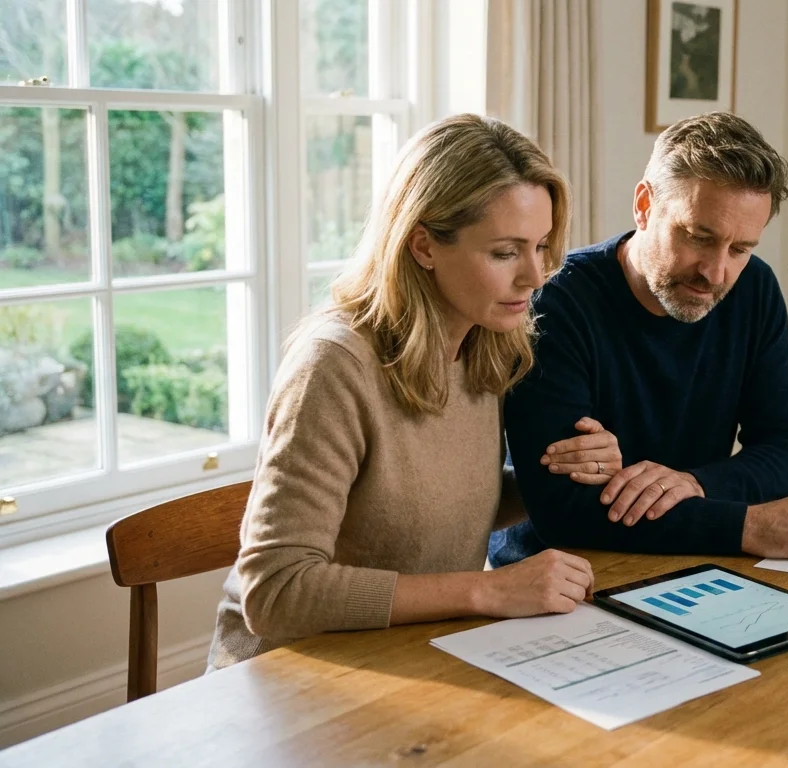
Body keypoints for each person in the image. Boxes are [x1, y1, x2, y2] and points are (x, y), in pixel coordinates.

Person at [208, 114, 624, 669]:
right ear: (424, 245)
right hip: (288, 679)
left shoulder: (485, 344)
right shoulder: (333, 367)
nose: (535, 275)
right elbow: (276, 592)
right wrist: (488, 591)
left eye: (541, 247)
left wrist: (554, 474)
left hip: (407, 658)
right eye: (505, 252)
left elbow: (429, 504)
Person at [494, 111, 788, 566]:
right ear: (644, 205)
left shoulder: (753, 289)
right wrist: (746, 525)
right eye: (699, 237)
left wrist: (697, 483)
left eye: (740, 249)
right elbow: (563, 511)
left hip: (690, 559)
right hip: (560, 576)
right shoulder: (554, 304)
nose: (716, 272)